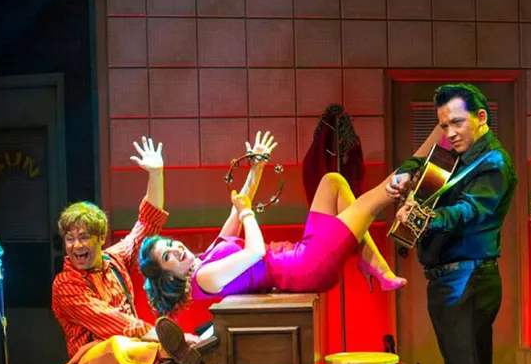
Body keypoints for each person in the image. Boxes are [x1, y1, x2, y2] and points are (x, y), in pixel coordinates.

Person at [386, 83, 517, 364]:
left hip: (469, 280)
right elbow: (418, 164)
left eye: (458, 122)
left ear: (482, 117)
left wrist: (423, 217)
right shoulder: (450, 155)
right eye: (443, 124)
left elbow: (470, 212)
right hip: (447, 281)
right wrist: (403, 176)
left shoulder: (493, 162)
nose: (451, 131)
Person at [51, 137, 204, 364]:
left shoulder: (116, 259)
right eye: (70, 238)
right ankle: (173, 348)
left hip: (142, 357)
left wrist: (157, 173)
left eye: (84, 236)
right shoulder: (64, 284)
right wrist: (155, 335)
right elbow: (112, 324)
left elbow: (146, 223)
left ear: (101, 239)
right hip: (91, 362)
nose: (76, 245)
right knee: (118, 344)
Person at [139, 131, 413, 315]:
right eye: (167, 256)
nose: (175, 248)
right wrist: (248, 214)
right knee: (380, 194)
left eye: (171, 243)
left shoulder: (205, 261)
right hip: (305, 267)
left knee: (333, 182)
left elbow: (240, 201)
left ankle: (371, 261)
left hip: (299, 257)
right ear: (168, 275)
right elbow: (255, 251)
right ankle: (420, 167)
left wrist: (256, 166)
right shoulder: (204, 278)